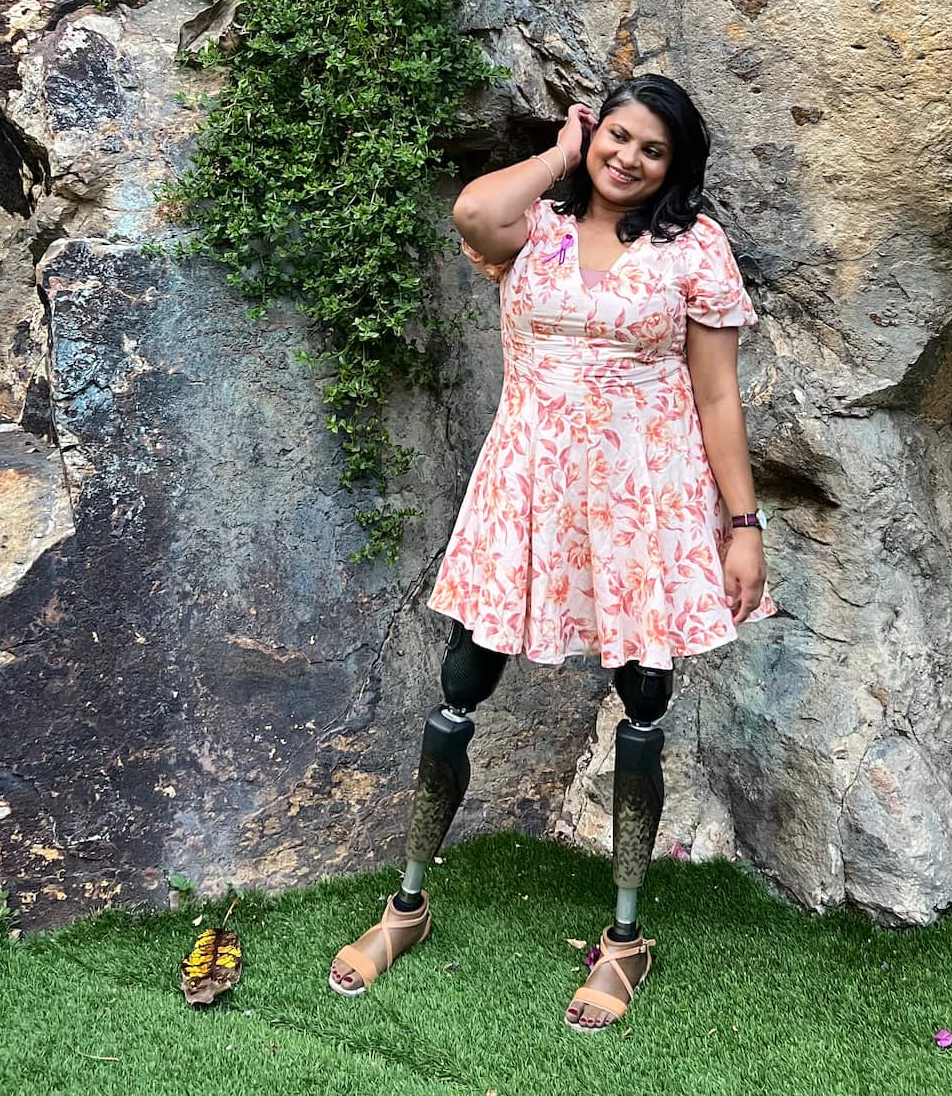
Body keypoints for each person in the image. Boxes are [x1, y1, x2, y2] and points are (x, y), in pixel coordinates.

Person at [329, 76, 777, 1031]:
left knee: (642, 700)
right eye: (618, 136)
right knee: (461, 678)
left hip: (640, 498)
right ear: (593, 133)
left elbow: (716, 400)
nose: (630, 158)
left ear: (676, 167)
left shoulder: (692, 249)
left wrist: (744, 528)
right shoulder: (536, 224)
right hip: (523, 485)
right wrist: (561, 154)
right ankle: (405, 907)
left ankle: (624, 942)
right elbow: (472, 210)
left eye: (653, 149)